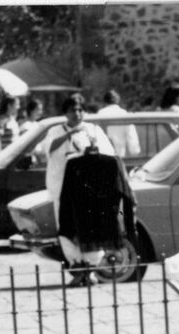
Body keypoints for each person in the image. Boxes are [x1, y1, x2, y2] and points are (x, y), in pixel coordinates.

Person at [39, 93, 115, 281]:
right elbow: (47, 150)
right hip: (62, 188)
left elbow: (108, 154)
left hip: (87, 190)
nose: (78, 114)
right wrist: (69, 134)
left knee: (90, 227)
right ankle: (76, 266)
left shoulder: (93, 130)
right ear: (66, 112)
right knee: (67, 227)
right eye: (73, 110)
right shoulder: (56, 131)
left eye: (81, 110)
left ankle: (90, 268)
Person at [96, 89, 141, 158]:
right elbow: (131, 134)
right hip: (119, 156)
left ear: (105, 101)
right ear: (117, 100)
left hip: (102, 155)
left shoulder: (100, 114)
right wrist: (134, 151)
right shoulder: (124, 114)